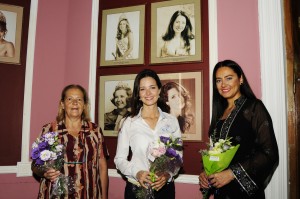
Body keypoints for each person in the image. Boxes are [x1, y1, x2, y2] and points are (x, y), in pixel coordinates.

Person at [198, 60, 279, 199]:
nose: (223, 84)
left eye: (229, 78)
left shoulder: (254, 108)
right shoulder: (219, 113)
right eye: (218, 80)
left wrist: (232, 173)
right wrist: (206, 172)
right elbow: (217, 152)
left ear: (240, 79)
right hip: (220, 191)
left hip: (244, 193)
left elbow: (269, 153)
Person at [114, 69, 182, 199]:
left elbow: (178, 156)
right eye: (143, 89)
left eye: (152, 87)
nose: (148, 93)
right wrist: (137, 173)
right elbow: (119, 160)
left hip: (164, 190)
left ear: (159, 90)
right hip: (136, 189)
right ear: (138, 94)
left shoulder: (171, 120)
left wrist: (167, 174)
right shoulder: (129, 122)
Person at [31, 84, 109, 199]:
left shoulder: (95, 131)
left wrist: (104, 197)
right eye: (70, 99)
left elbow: (102, 167)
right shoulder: (49, 130)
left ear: (84, 105)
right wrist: (44, 173)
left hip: (89, 193)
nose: (75, 103)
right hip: (56, 195)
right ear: (62, 104)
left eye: (79, 99)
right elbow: (35, 165)